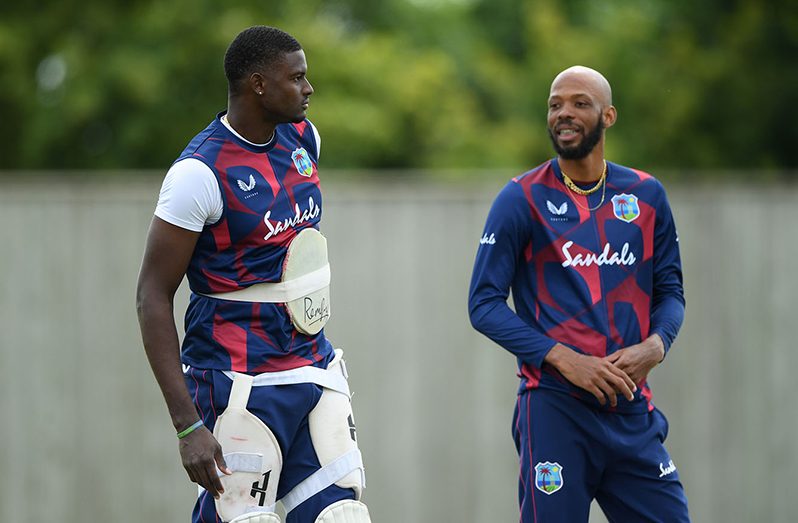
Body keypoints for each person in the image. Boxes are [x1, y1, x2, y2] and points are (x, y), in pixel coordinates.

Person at [136, 26, 371, 523]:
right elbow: (152, 296)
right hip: (235, 379)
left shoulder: (306, 138)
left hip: (311, 367)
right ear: (259, 84)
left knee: (343, 516)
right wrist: (187, 426)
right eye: (298, 78)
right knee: (245, 518)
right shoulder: (198, 173)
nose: (309, 88)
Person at [468, 65, 690, 522]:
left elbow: (670, 291)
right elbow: (483, 304)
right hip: (554, 411)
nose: (563, 113)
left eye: (579, 103)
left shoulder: (647, 196)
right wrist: (565, 359)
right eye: (555, 104)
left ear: (608, 116)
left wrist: (656, 345)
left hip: (631, 409)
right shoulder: (521, 198)